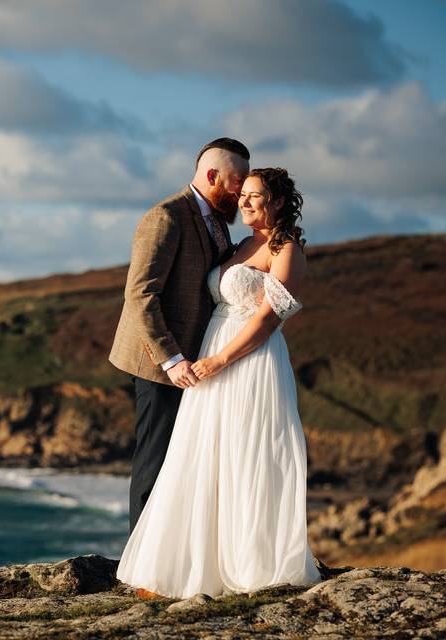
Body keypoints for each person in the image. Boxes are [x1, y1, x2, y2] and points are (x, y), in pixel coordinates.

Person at [115, 167, 322, 599]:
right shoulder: (242, 244)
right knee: (205, 451)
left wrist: (219, 360)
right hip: (215, 346)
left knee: (248, 454)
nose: (244, 202)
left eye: (255, 195)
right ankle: (194, 563)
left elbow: (267, 320)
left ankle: (251, 564)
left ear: (279, 202)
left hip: (249, 360)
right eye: (242, 195)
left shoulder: (287, 249)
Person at [109, 137, 250, 534]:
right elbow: (140, 294)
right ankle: (140, 562)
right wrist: (171, 360)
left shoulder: (218, 220)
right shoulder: (166, 217)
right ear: (212, 176)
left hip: (198, 362)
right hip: (159, 363)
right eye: (237, 181)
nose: (241, 191)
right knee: (155, 460)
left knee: (182, 460)